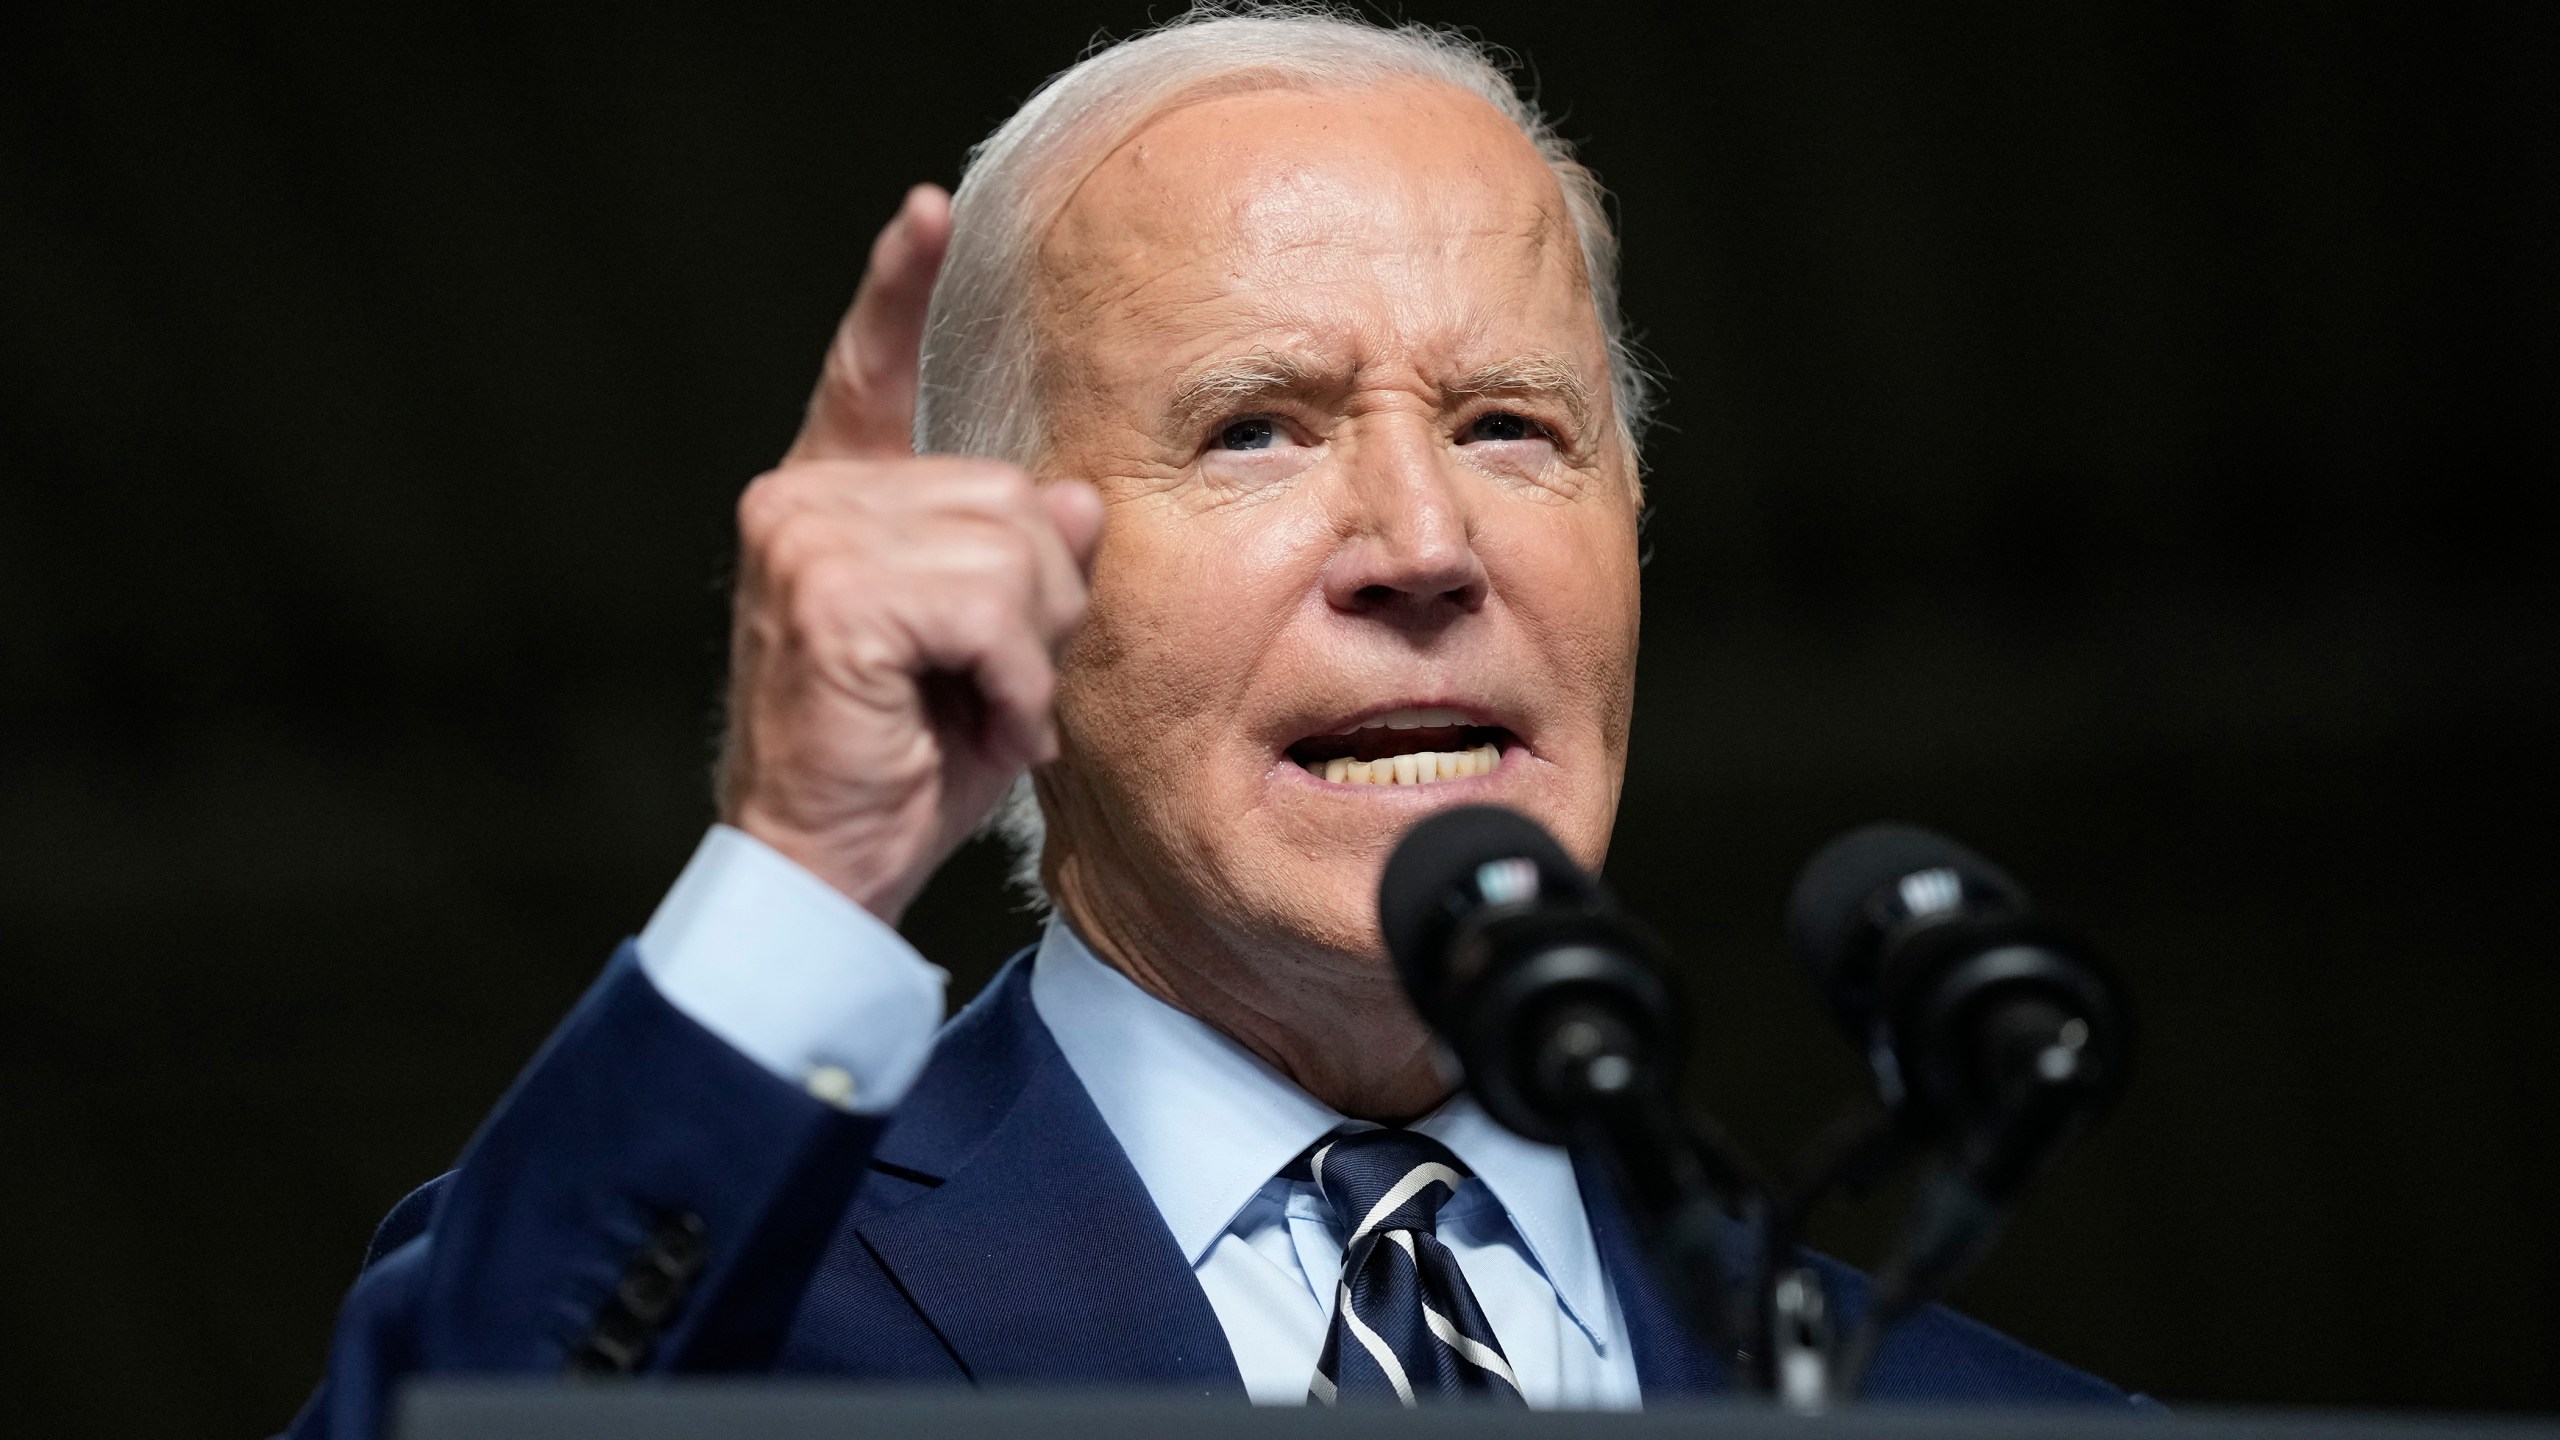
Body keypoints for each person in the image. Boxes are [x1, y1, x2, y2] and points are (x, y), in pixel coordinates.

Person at [285, 8, 2136, 1436]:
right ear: (991, 561)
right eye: (1257, 428)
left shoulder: (1974, 1413)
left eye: (1513, 428)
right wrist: (804, 877)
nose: (1427, 546)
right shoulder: (700, 1320)